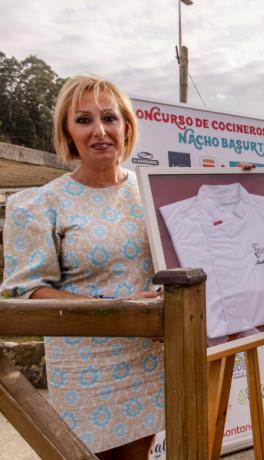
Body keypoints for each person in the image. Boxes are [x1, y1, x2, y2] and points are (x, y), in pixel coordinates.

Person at [1, 75, 164, 459]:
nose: (100, 131)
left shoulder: (152, 190)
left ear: (127, 125)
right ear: (67, 133)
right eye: (84, 120)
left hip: (144, 361)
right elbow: (26, 292)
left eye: (109, 117)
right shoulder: (42, 204)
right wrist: (119, 310)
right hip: (83, 369)